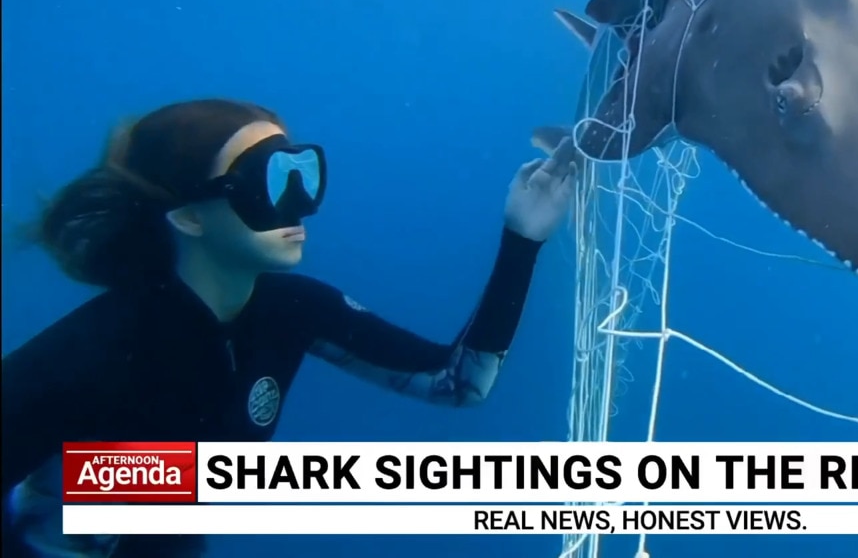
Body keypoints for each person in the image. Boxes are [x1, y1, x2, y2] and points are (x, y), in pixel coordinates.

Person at [0, 98, 578, 557]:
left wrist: (523, 237)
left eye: (302, 173)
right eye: (267, 181)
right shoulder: (92, 353)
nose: (296, 204)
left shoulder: (290, 312)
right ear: (188, 215)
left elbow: (458, 384)